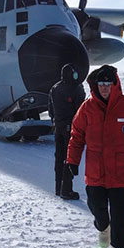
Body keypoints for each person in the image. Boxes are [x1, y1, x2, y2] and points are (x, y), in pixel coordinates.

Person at [65, 65, 124, 248]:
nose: (104, 88)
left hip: (123, 170)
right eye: (101, 84)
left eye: (108, 84)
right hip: (96, 170)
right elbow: (76, 136)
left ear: (114, 84)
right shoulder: (87, 108)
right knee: (96, 206)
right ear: (96, 85)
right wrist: (72, 160)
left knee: (120, 211)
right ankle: (103, 227)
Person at [49, 63, 86, 199]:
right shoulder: (76, 88)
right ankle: (67, 189)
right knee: (69, 158)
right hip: (70, 128)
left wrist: (55, 120)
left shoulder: (55, 87)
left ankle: (58, 187)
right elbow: (81, 110)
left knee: (59, 158)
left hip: (58, 126)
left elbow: (50, 109)